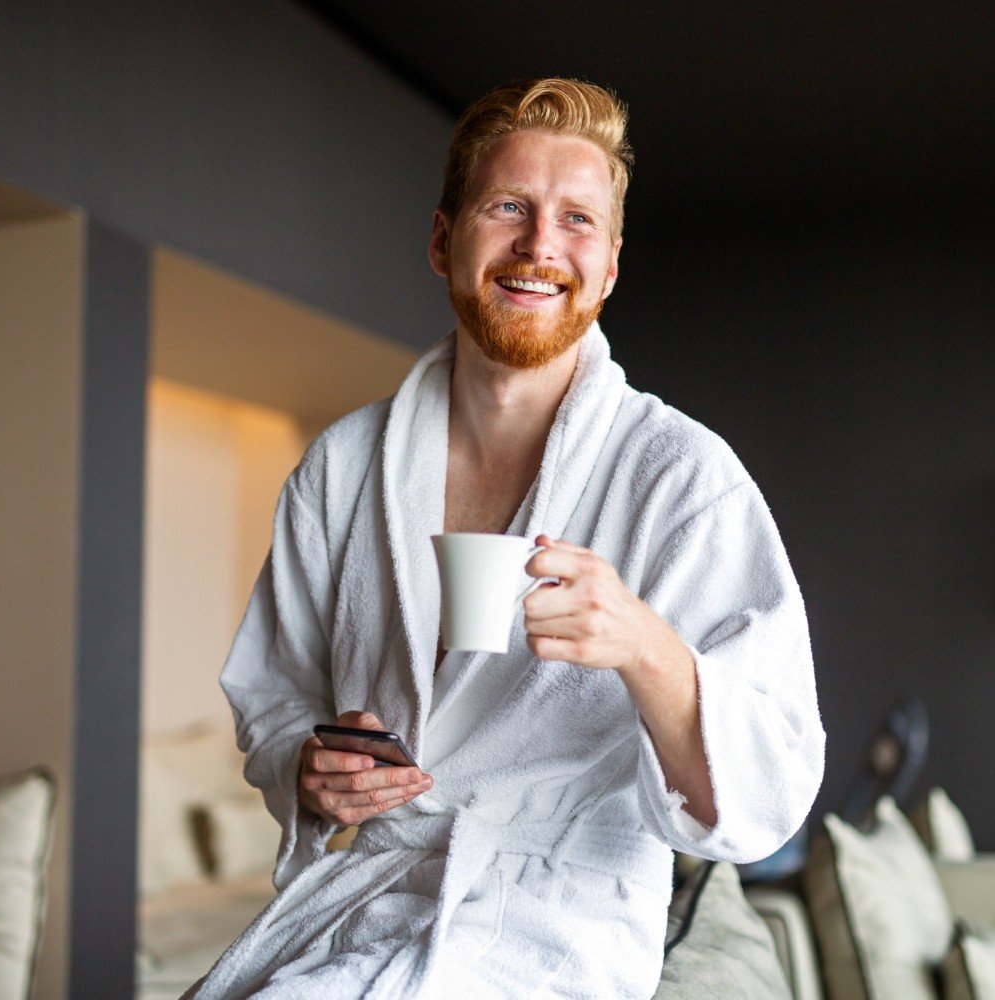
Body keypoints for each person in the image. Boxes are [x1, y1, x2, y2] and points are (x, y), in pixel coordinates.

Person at [186, 78, 824, 999]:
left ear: (610, 267)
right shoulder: (344, 466)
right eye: (509, 208)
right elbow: (275, 692)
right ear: (443, 239)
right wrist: (311, 769)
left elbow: (769, 787)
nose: (539, 246)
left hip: (562, 920)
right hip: (371, 891)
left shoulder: (683, 478)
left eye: (577, 220)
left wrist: (643, 645)